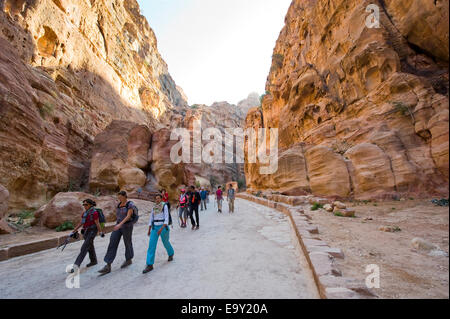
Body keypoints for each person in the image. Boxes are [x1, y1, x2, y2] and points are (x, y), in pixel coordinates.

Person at [98, 191, 136, 275]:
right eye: (118, 197)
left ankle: (128, 259)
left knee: (127, 242)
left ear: (125, 196)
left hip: (127, 226)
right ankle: (108, 265)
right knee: (113, 241)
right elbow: (118, 216)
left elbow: (128, 216)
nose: (119, 199)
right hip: (118, 225)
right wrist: (117, 224)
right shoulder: (118, 205)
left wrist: (120, 224)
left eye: (120, 197)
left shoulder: (130, 204)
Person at [69, 199, 104, 273]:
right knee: (90, 245)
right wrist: (73, 231)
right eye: (84, 204)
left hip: (92, 231)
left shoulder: (94, 213)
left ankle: (76, 266)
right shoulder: (85, 213)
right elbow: (81, 222)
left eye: (86, 204)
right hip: (86, 231)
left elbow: (97, 223)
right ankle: (93, 261)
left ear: (91, 205)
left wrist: (100, 232)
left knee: (84, 248)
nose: (84, 206)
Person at [143, 194, 174, 274]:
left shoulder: (164, 206)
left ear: (161, 199)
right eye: (156, 198)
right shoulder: (154, 207)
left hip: (163, 227)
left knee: (165, 242)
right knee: (151, 245)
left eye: (158, 198)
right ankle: (149, 264)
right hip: (154, 227)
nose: (157, 200)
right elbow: (151, 218)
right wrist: (149, 229)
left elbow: (166, 219)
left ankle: (171, 253)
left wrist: (161, 228)